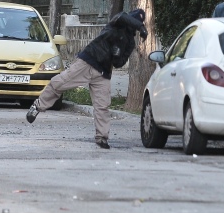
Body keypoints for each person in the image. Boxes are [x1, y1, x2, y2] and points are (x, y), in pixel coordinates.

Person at [25, 9, 147, 149]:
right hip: (88, 61)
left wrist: (117, 55)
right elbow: (122, 16)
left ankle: (102, 138)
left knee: (103, 106)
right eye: (136, 23)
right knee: (59, 83)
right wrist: (141, 27)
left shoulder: (130, 42)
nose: (135, 26)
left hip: (103, 72)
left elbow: (120, 64)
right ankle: (37, 106)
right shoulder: (117, 23)